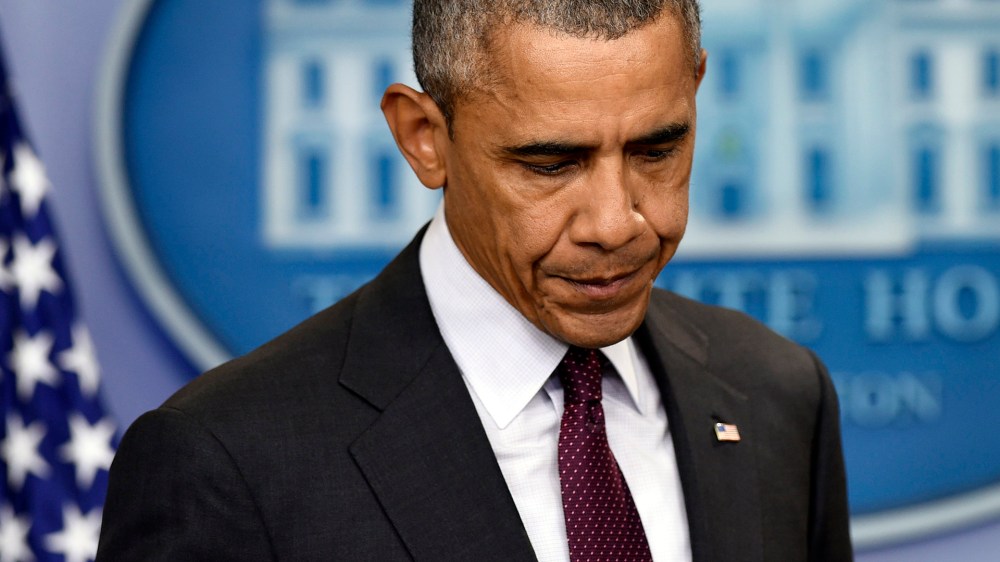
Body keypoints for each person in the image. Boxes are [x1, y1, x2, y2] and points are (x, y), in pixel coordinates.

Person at [97, 0, 852, 560]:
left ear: (697, 86)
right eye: (550, 164)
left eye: (658, 149)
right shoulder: (226, 463)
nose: (617, 222)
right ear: (425, 138)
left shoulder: (780, 393)